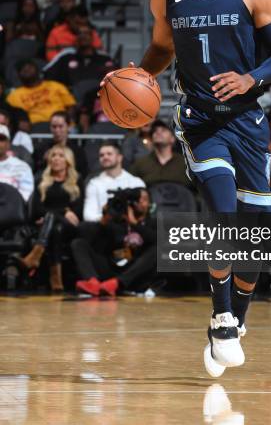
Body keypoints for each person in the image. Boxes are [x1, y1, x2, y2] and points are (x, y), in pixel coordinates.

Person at [102, 0, 271, 377]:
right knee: (221, 212)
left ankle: (235, 321)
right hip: (199, 120)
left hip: (247, 122)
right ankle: (222, 317)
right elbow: (163, 49)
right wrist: (132, 75)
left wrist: (252, 79)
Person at [17, 145, 83, 292]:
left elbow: (78, 211)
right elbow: (36, 210)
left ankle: (35, 255)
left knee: (53, 219)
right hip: (51, 227)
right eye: (53, 155)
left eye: (60, 155)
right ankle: (57, 282)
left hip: (70, 227)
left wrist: (51, 215)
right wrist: (64, 211)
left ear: (68, 160)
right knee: (55, 229)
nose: (56, 159)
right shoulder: (42, 181)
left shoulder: (76, 181)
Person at [73, 187, 157, 296]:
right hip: (113, 267)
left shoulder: (153, 223)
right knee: (78, 243)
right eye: (137, 199)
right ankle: (92, 283)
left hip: (134, 274)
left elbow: (156, 240)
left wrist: (134, 224)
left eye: (144, 199)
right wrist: (104, 221)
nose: (140, 202)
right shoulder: (117, 221)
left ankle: (118, 283)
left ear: (150, 204)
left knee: (159, 248)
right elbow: (97, 246)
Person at [83, 142, 146, 222]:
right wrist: (106, 218)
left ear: (120, 157)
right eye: (101, 155)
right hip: (103, 228)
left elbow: (144, 212)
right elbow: (88, 216)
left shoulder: (136, 182)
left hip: (131, 227)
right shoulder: (94, 184)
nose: (105, 157)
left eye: (109, 154)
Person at [43, 24, 116, 91]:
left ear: (92, 37)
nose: (83, 36)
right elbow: (48, 75)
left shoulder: (104, 58)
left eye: (86, 33)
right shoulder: (66, 57)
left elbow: (116, 80)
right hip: (71, 100)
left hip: (97, 100)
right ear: (76, 38)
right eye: (79, 33)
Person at [6, 59, 76, 125]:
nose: (26, 70)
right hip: (34, 129)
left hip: (60, 125)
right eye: (22, 69)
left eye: (29, 67)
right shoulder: (14, 95)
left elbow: (71, 105)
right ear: (18, 75)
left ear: (37, 69)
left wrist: (66, 121)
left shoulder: (55, 86)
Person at [131, 119, 190, 186]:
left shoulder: (185, 164)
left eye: (163, 130)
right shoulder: (140, 164)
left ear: (172, 139)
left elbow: (199, 189)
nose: (158, 132)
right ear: (152, 139)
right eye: (154, 131)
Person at [33, 110, 88, 176]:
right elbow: (35, 173)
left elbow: (84, 174)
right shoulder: (41, 150)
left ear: (68, 127)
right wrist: (43, 161)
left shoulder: (78, 151)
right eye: (54, 126)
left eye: (61, 126)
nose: (57, 130)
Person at [0, 123, 33, 201]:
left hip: (10, 209)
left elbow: (25, 197)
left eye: (1, 139)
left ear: (8, 144)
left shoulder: (22, 167)